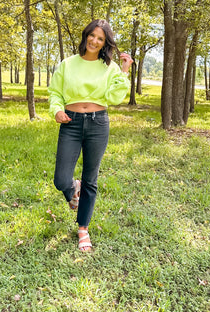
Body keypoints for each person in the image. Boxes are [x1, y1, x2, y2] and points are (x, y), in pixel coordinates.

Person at [48, 19, 133, 252]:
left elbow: (115, 97)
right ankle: (71, 189)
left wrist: (124, 71)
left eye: (101, 39)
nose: (95, 41)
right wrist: (56, 110)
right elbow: (55, 93)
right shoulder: (67, 64)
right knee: (61, 180)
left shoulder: (109, 68)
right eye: (92, 36)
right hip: (71, 122)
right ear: (86, 36)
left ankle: (83, 228)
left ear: (105, 43)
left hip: (98, 124)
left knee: (90, 179)